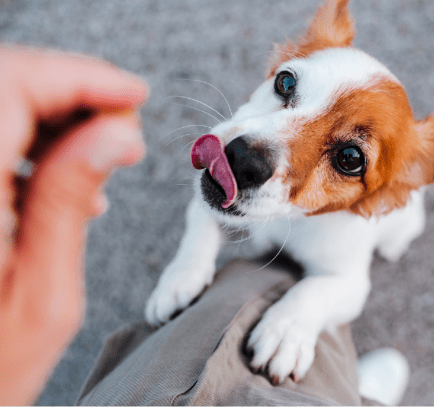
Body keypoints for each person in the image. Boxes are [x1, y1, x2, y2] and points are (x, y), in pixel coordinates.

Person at [0, 45, 409, 406]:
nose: (250, 155)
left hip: (364, 228)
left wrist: (304, 311)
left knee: (396, 237)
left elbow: (349, 282)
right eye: (286, 86)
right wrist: (192, 257)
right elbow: (205, 209)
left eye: (348, 159)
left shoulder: (364, 218)